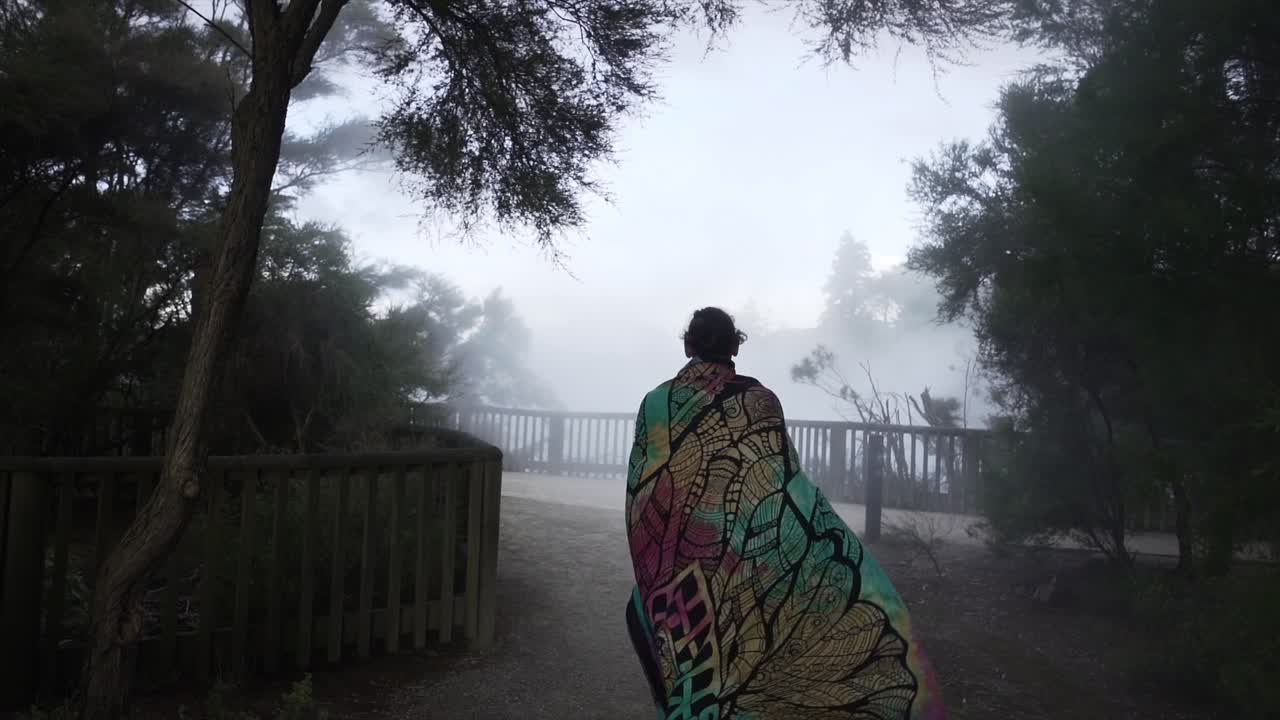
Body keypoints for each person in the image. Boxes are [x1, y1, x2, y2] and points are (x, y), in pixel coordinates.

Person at [624, 307, 945, 719]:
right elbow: (782, 483)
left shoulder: (655, 402)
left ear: (688, 344)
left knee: (687, 649)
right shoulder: (761, 400)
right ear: (735, 346)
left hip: (680, 572)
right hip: (746, 557)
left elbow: (643, 489)